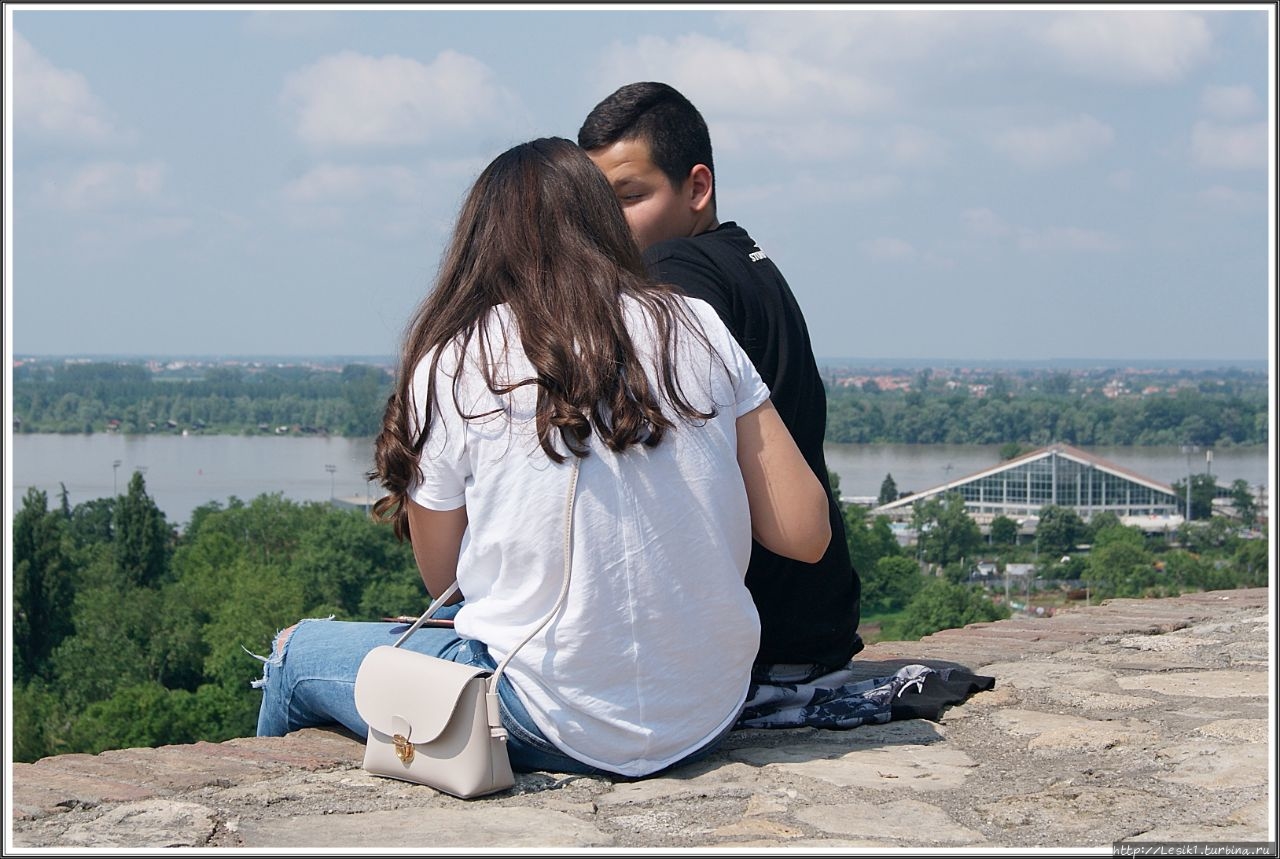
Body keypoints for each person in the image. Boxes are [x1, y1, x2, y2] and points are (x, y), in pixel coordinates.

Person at [252, 137, 831, 778]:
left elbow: (444, 580)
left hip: (546, 714)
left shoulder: (456, 359)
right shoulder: (695, 324)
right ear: (604, 224)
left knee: (293, 655)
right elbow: (805, 533)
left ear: (479, 243)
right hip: (706, 709)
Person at [578, 82, 863, 683]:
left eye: (629, 197)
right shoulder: (744, 259)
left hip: (756, 643)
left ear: (697, 188)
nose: (607, 225)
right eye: (595, 205)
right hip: (810, 625)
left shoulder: (672, 270)